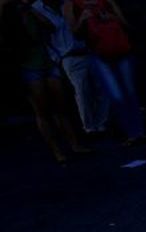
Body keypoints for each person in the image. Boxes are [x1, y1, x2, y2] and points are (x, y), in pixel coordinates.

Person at [1, 0, 89, 162]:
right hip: (28, 64)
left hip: (46, 60)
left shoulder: (31, 10)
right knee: (42, 110)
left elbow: (50, 26)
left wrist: (30, 9)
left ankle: (74, 144)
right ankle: (57, 151)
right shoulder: (8, 14)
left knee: (60, 106)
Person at [67, 0, 146, 145]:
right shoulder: (73, 4)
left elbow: (126, 24)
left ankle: (138, 133)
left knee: (130, 93)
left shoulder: (106, 1)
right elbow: (75, 33)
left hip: (120, 50)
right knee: (117, 96)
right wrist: (82, 19)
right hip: (99, 54)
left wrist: (112, 18)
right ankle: (131, 133)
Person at [31, 0, 108, 135]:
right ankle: (89, 127)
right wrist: (56, 57)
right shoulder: (37, 9)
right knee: (82, 92)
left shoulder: (67, 3)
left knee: (100, 89)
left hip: (86, 50)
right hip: (68, 55)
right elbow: (43, 36)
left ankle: (101, 124)